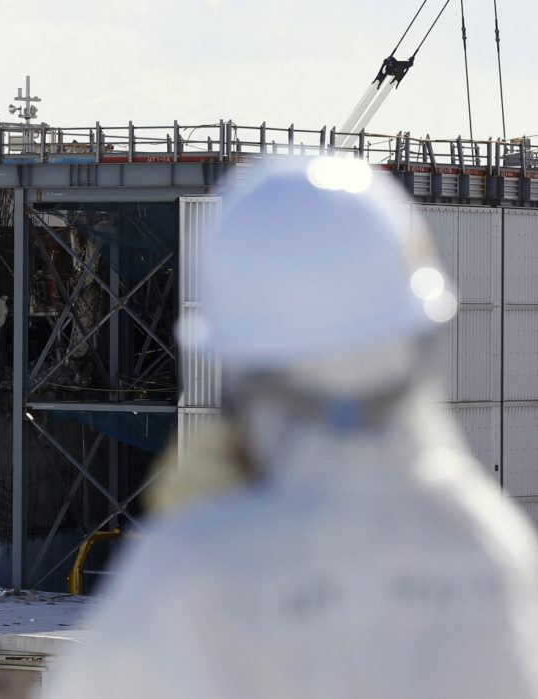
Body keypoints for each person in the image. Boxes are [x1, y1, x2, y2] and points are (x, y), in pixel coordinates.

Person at [47, 157, 538, 698]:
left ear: (238, 361)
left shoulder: (194, 571)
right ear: (417, 338)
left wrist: (192, 532)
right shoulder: (487, 544)